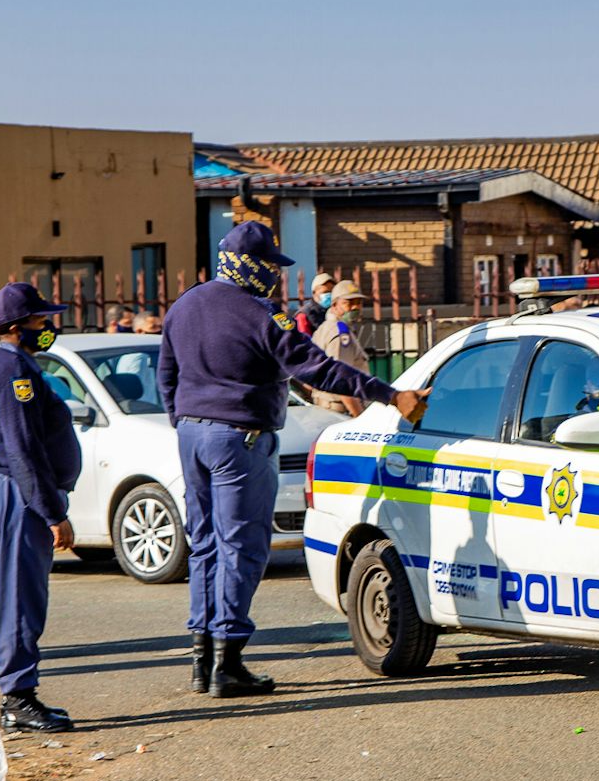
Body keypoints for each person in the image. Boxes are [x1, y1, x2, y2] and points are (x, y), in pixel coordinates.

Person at [161, 221, 428, 697]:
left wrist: (184, 423)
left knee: (204, 545)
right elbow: (319, 369)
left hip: (191, 435)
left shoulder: (184, 305)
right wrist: (391, 395)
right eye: (269, 266)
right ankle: (228, 660)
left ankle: (202, 658)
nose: (275, 277)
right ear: (249, 265)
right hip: (239, 439)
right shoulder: (261, 315)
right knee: (241, 550)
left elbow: (167, 375)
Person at [0, 283, 81, 733]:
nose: (47, 327)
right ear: (16, 327)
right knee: (19, 597)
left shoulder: (9, 365)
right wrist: (53, 512)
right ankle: (16, 697)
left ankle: (21, 691)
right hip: (19, 495)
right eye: (40, 321)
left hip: (15, 489)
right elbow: (24, 447)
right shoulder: (13, 372)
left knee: (25, 594)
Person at [310, 281, 376, 416]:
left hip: (328, 408)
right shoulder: (339, 333)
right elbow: (342, 380)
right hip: (340, 411)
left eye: (359, 303)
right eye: (348, 303)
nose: (355, 307)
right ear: (334, 305)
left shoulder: (326, 327)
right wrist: (359, 417)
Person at [293, 272, 337, 337]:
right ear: (314, 293)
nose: (329, 295)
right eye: (325, 292)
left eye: (332, 292)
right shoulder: (304, 315)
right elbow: (304, 341)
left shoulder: (335, 311)